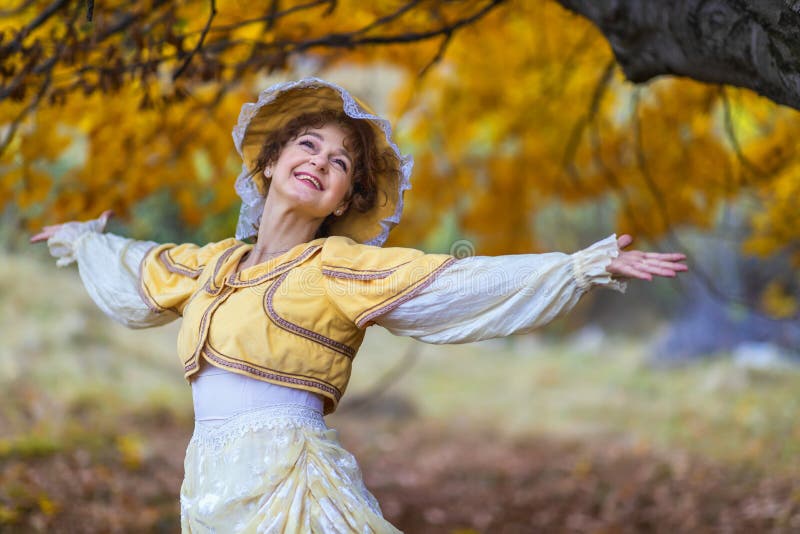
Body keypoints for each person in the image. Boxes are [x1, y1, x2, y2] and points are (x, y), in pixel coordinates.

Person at [31, 78, 687, 533]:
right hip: (206, 484)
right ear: (275, 160)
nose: (319, 162)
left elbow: (453, 283)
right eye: (308, 145)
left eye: (340, 162)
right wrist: (83, 240)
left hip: (292, 482)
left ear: (344, 200)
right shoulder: (211, 265)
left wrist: (576, 266)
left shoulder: (337, 267)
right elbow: (136, 268)